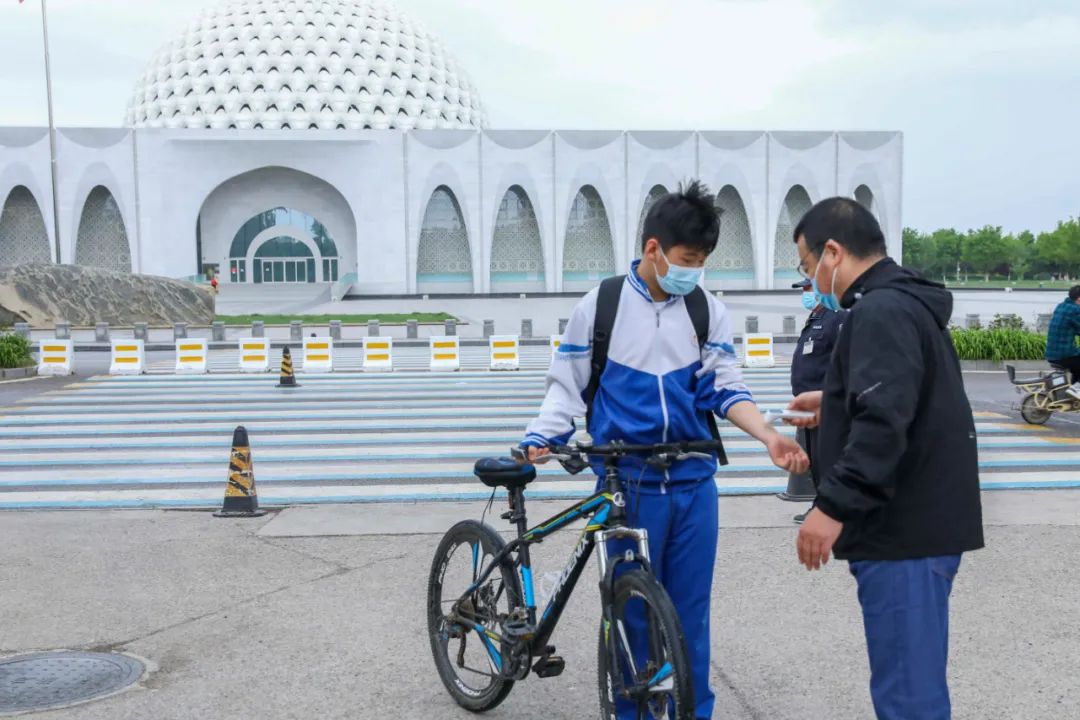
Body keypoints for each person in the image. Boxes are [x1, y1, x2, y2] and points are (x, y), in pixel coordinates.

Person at [521, 181, 808, 719]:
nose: (694, 271)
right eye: (687, 259)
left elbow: (725, 387)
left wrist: (768, 435)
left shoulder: (705, 311)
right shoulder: (601, 305)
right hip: (627, 483)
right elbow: (567, 385)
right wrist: (543, 436)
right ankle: (632, 712)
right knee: (631, 613)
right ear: (653, 249)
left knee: (690, 613)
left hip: (694, 481)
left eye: (702, 262)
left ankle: (694, 712)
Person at [785, 197, 984, 720]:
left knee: (908, 699)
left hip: (904, 533)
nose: (811, 280)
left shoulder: (880, 309)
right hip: (920, 528)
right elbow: (906, 400)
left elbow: (883, 422)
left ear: (833, 252)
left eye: (808, 267)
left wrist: (829, 508)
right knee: (911, 684)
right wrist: (834, 405)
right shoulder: (904, 302)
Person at [788, 277, 845, 524]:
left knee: (829, 460)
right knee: (818, 461)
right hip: (808, 409)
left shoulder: (836, 317)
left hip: (826, 407)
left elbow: (844, 362)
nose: (805, 293)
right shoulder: (816, 319)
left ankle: (830, 510)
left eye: (809, 288)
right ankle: (822, 506)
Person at [1045, 285, 1080, 399]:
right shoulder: (1076, 310)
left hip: (1052, 353)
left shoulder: (1061, 306)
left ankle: (1070, 393)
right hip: (1064, 354)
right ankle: (1076, 388)